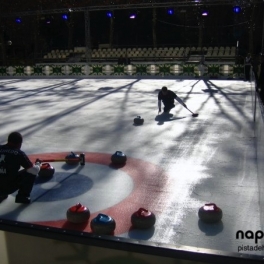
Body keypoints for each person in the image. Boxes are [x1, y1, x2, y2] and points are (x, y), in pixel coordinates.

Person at [0, 132, 40, 204]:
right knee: (30, 172)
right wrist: (38, 163)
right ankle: (22, 196)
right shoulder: (18, 153)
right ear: (20, 143)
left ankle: (1, 195)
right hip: (9, 186)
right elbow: (34, 170)